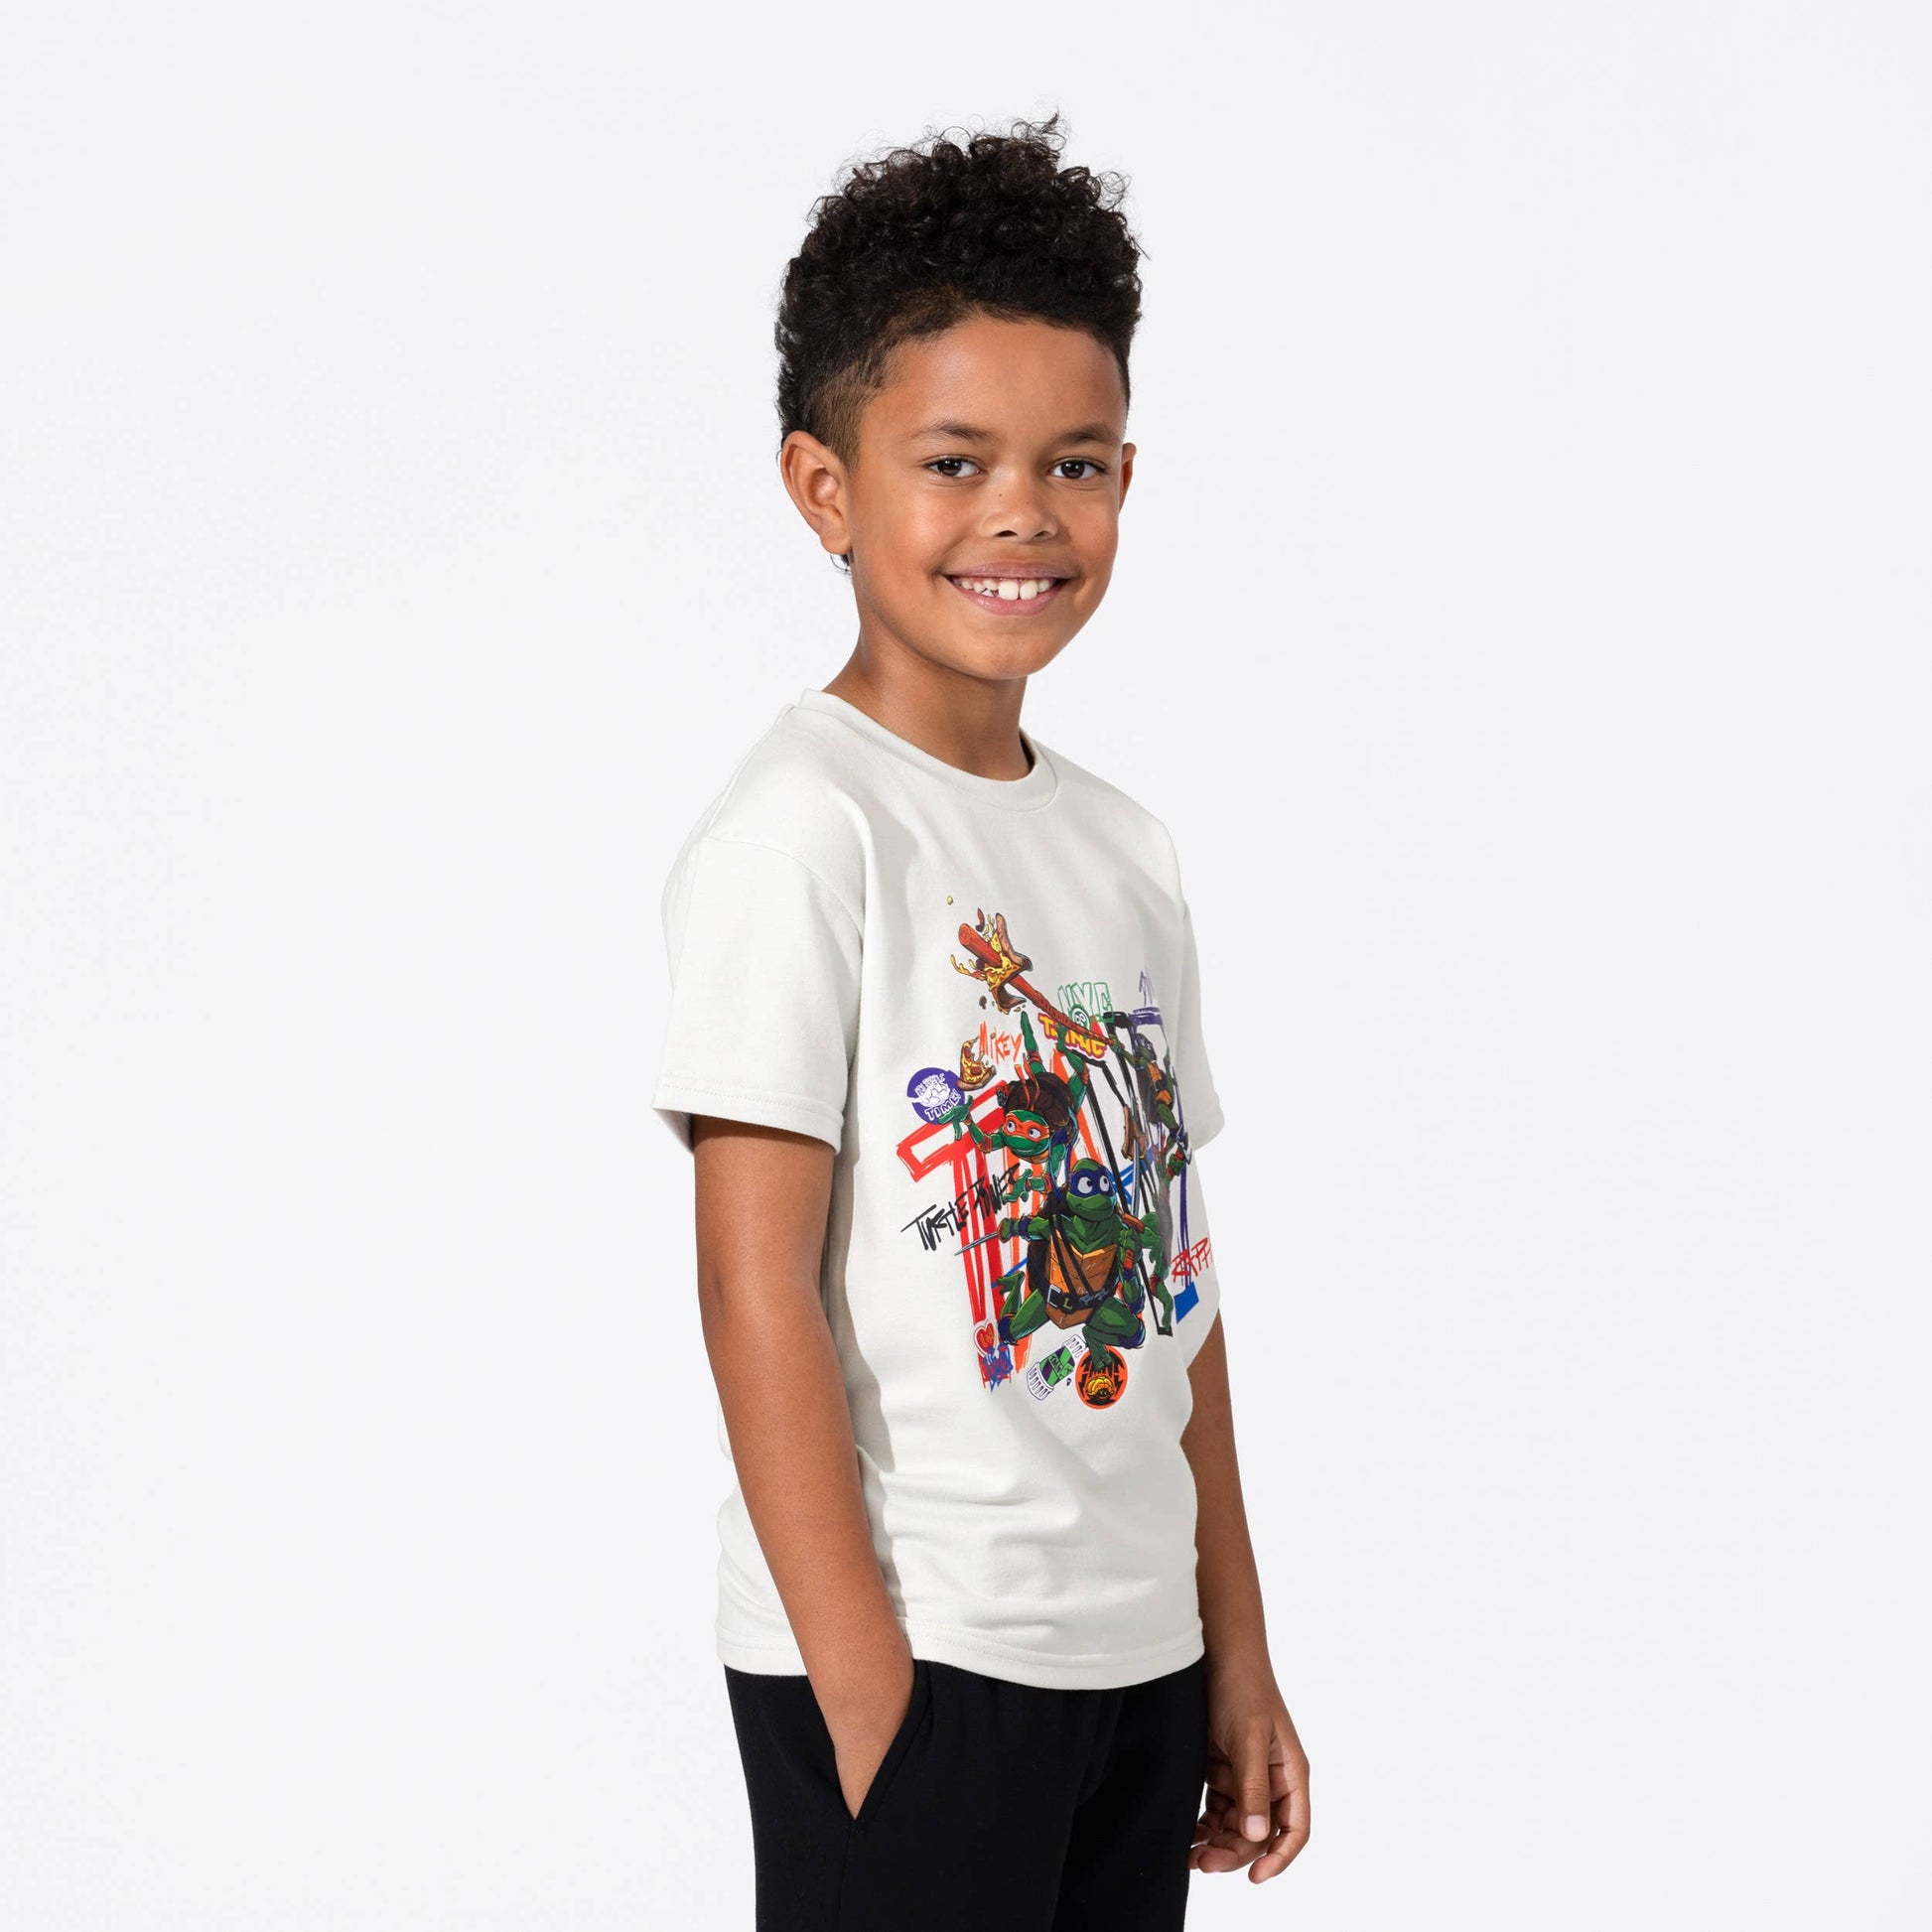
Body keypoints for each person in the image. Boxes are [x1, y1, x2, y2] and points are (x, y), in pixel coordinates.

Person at [651, 114, 1310, 1931]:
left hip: (1135, 1656)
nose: (1022, 512)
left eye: (1073, 464)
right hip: (924, 1659)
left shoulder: (1123, 849)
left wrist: (1233, 1645)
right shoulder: (804, 832)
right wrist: (870, 1691)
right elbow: (753, 1288)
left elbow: (1174, 1290)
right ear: (823, 487)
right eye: (953, 462)